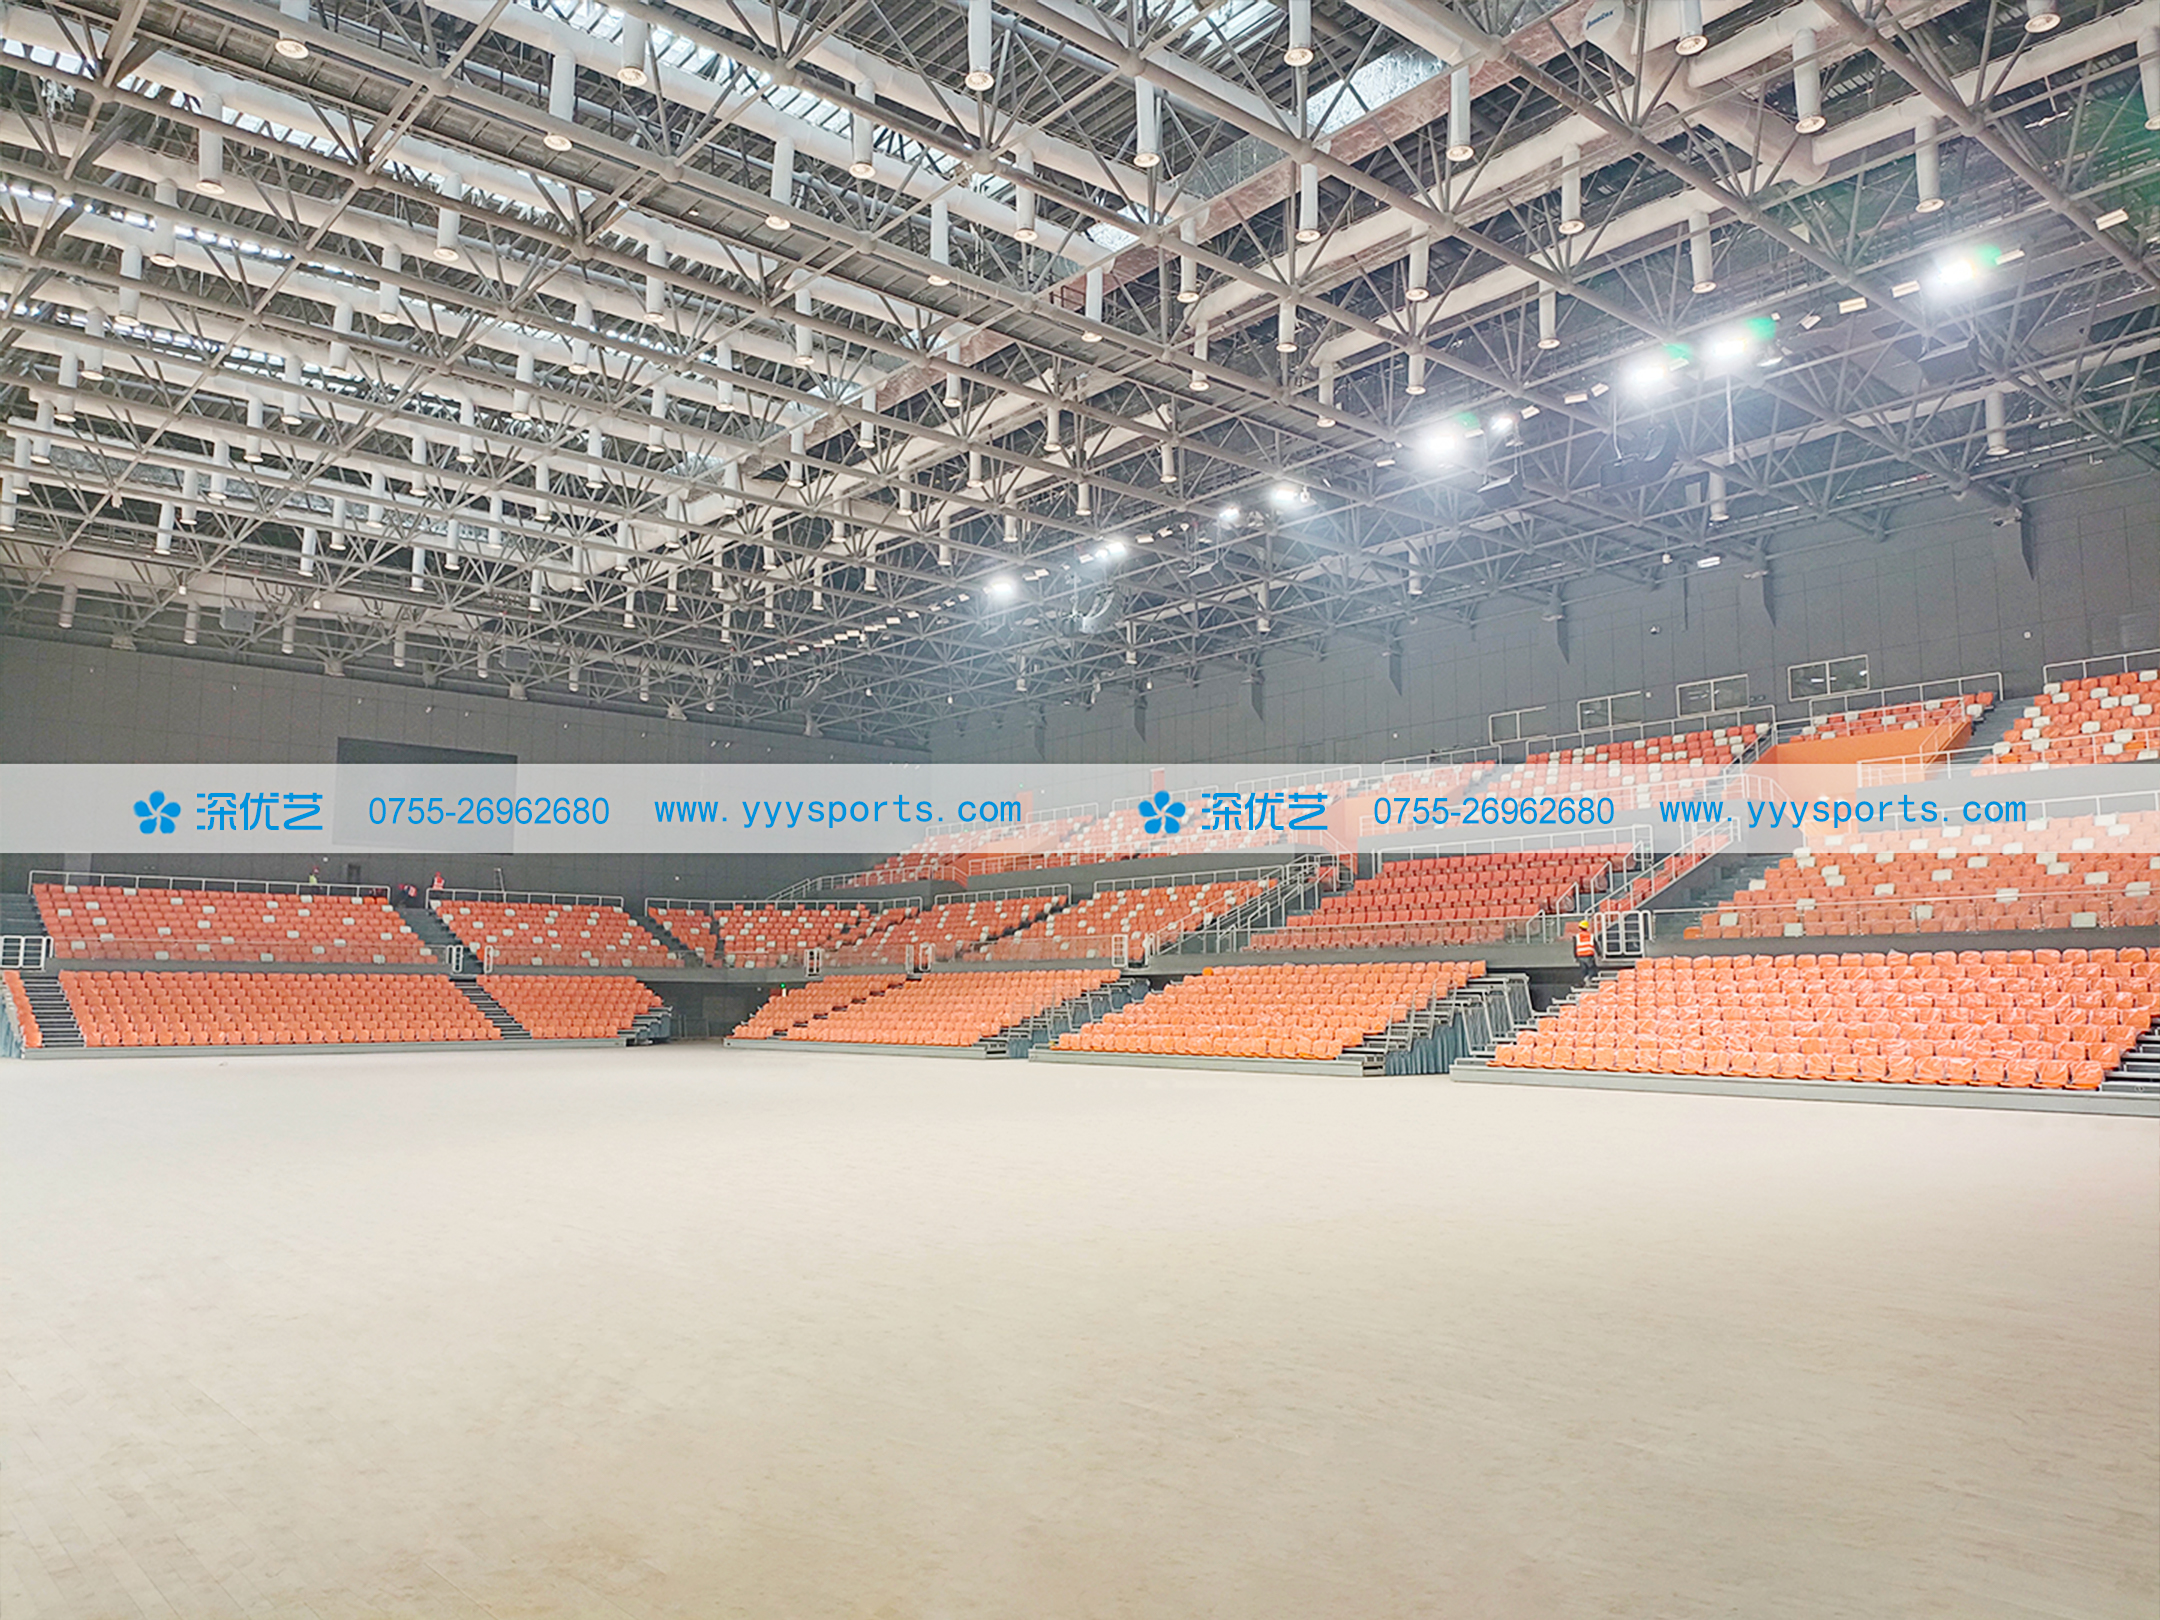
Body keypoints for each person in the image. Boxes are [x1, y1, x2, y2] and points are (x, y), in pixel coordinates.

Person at [1574, 917, 1599, 983]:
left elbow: (1575, 947)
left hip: (1580, 955)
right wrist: (1599, 954)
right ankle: (1590, 979)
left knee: (1583, 969)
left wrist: (1575, 957)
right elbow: (1595, 945)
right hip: (1589, 955)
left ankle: (1584, 981)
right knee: (1591, 969)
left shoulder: (1577, 936)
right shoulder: (1591, 935)